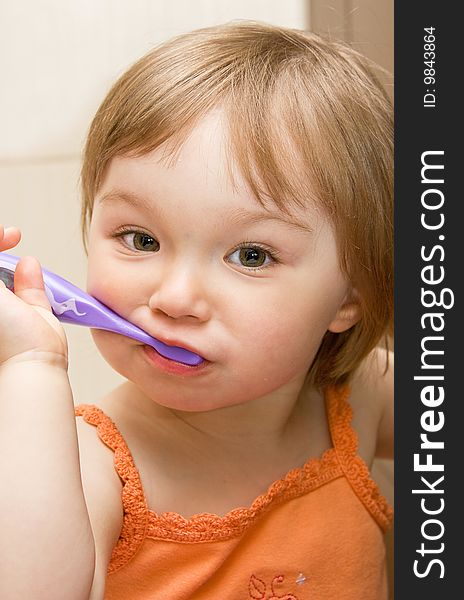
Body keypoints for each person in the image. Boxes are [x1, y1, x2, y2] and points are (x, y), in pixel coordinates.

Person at [0, 21, 393, 600]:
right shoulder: (90, 463)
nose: (175, 298)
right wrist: (30, 367)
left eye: (251, 255)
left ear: (351, 297)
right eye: (140, 239)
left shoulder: (357, 395)